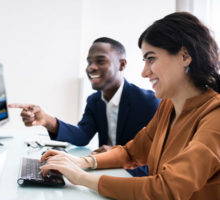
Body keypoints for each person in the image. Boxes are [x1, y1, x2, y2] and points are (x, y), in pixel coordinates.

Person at [38, 12, 220, 200]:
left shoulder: (215, 115)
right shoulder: (168, 106)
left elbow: (166, 189)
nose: (144, 72)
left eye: (151, 59)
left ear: (185, 56)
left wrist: (80, 178)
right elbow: (131, 153)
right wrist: (81, 161)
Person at [9, 37, 160, 177]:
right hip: (101, 171)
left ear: (122, 64)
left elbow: (156, 162)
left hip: (130, 177)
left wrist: (114, 157)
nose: (91, 67)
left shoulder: (148, 102)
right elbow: (82, 135)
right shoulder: (94, 100)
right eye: (89, 62)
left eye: (101, 61)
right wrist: (47, 120)